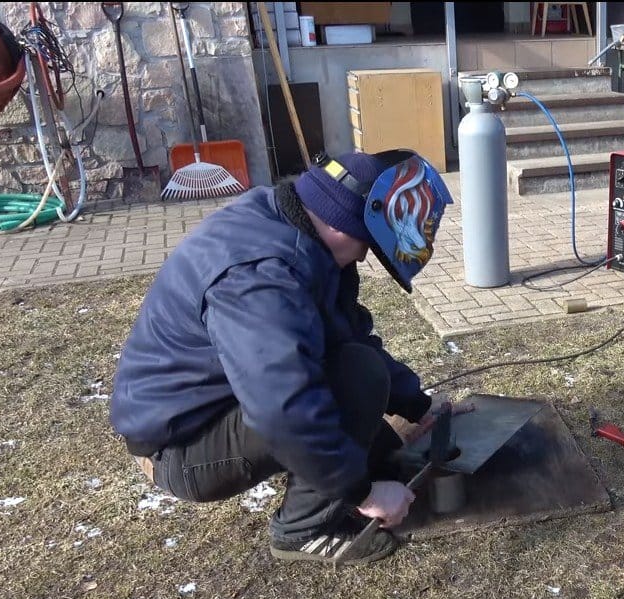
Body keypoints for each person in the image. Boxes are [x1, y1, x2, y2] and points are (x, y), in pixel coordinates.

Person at [109, 149, 454, 566]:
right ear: (350, 226)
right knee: (358, 384)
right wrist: (364, 492)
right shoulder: (263, 279)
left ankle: (345, 480)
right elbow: (281, 409)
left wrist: (417, 405)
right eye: (367, 246)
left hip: (219, 401)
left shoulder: (295, 226)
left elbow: (347, 335)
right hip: (180, 445)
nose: (365, 257)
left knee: (370, 415)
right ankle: (302, 531)